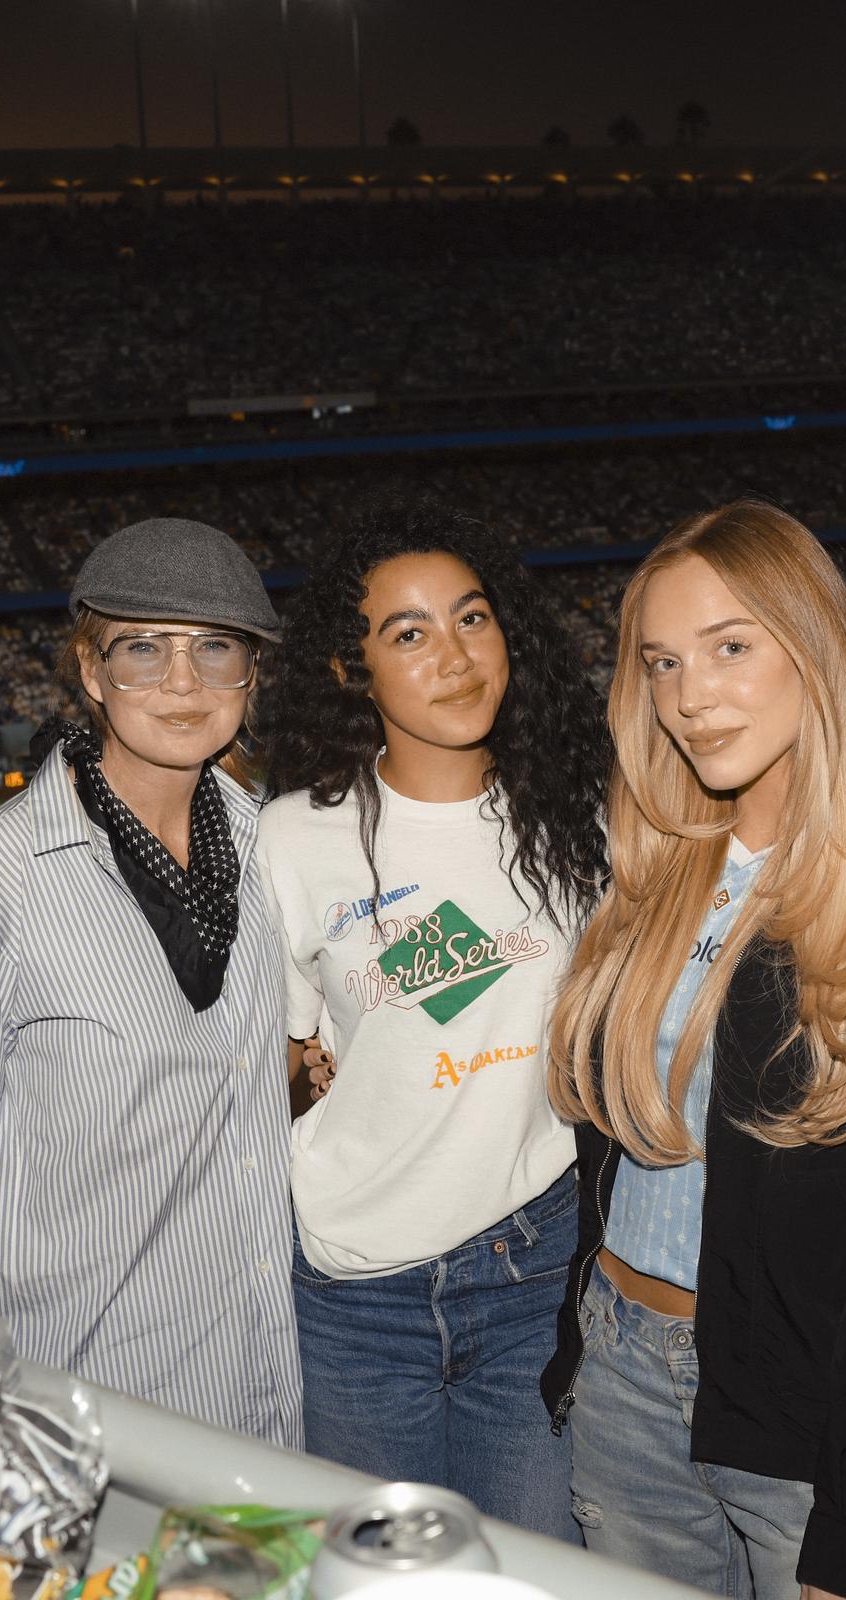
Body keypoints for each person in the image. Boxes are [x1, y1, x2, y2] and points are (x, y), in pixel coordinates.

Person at [542, 501, 846, 1600]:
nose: (688, 697)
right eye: (662, 662)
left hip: (810, 1429)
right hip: (621, 1372)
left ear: (814, 645)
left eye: (730, 648)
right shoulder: (651, 869)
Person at [0, 518, 304, 1445]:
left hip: (274, 1378)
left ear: (251, 674)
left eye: (215, 649)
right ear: (90, 671)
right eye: (143, 649)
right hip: (83, 1399)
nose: (184, 683)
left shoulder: (273, 841)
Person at [255, 499, 610, 1539]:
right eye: (406, 632)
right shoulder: (294, 838)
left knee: (534, 1571)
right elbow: (273, 1060)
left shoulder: (582, 820)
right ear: (348, 668)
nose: (453, 656)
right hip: (354, 1292)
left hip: (530, 1276)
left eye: (472, 617)